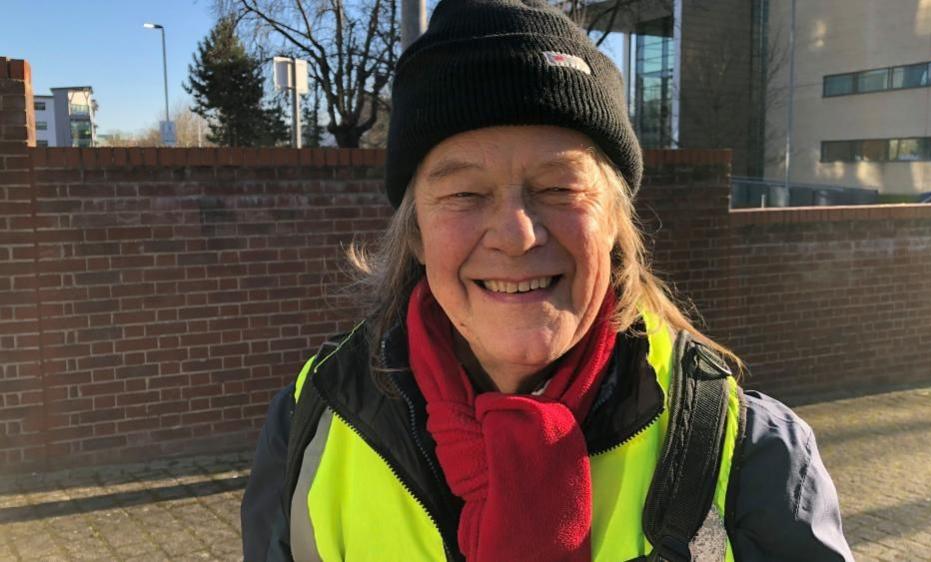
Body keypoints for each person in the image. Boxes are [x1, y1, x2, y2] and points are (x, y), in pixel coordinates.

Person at [241, 1, 855, 561]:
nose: (517, 233)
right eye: (463, 192)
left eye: (560, 187)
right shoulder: (311, 422)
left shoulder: (750, 451)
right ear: (418, 234)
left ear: (615, 221)